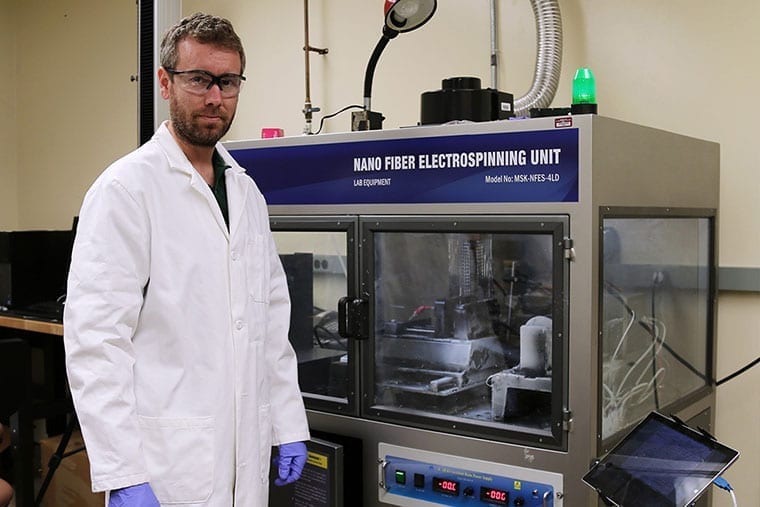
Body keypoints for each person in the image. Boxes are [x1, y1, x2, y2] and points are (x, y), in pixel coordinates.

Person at [63, 12, 310, 506]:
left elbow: (269, 325)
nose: (215, 97)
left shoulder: (246, 192)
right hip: (165, 465)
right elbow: (97, 343)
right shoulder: (125, 189)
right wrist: (122, 471)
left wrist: (287, 421)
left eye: (228, 82)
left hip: (243, 455)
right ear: (164, 82)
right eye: (199, 79)